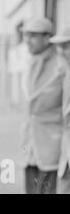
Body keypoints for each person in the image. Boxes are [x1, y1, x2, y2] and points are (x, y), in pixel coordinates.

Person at [19, 18, 65, 194]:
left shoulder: (62, 67)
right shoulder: (28, 63)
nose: (27, 41)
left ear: (48, 38)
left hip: (52, 148)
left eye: (33, 36)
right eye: (25, 36)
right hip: (29, 147)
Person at [50, 27, 70, 194]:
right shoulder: (65, 74)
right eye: (60, 46)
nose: (61, 51)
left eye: (66, 46)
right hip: (66, 154)